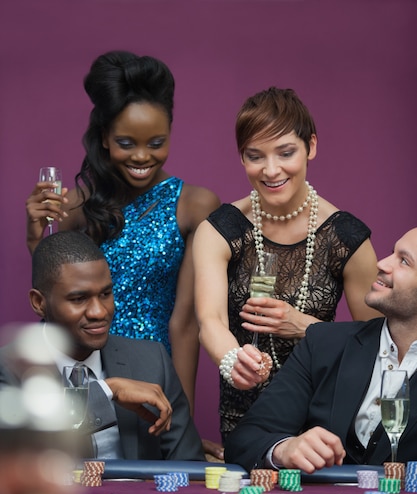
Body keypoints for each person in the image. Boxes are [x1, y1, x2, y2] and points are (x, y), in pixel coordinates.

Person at [25, 50, 222, 459]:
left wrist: (178, 425)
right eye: (126, 143)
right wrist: (36, 238)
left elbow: (184, 322)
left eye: (157, 142)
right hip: (89, 365)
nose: (142, 157)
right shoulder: (77, 205)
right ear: (103, 139)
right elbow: (55, 299)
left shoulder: (194, 204)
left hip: (155, 375)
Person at [193, 87, 381, 445]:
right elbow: (210, 321)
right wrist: (233, 359)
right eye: (255, 156)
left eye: (286, 152)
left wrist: (304, 326)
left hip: (323, 418)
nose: (271, 169)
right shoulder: (219, 231)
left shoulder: (346, 237)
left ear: (311, 146)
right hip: (244, 414)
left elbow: (374, 344)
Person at [0, 231, 205, 461]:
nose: (99, 312)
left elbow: (190, 467)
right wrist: (107, 391)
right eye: (79, 299)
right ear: (39, 302)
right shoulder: (10, 368)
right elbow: (25, 450)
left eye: (106, 294)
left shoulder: (152, 361)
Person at [224, 227, 417, 472]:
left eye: (404, 261)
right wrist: (283, 449)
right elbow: (244, 441)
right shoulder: (324, 344)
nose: (382, 263)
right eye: (392, 252)